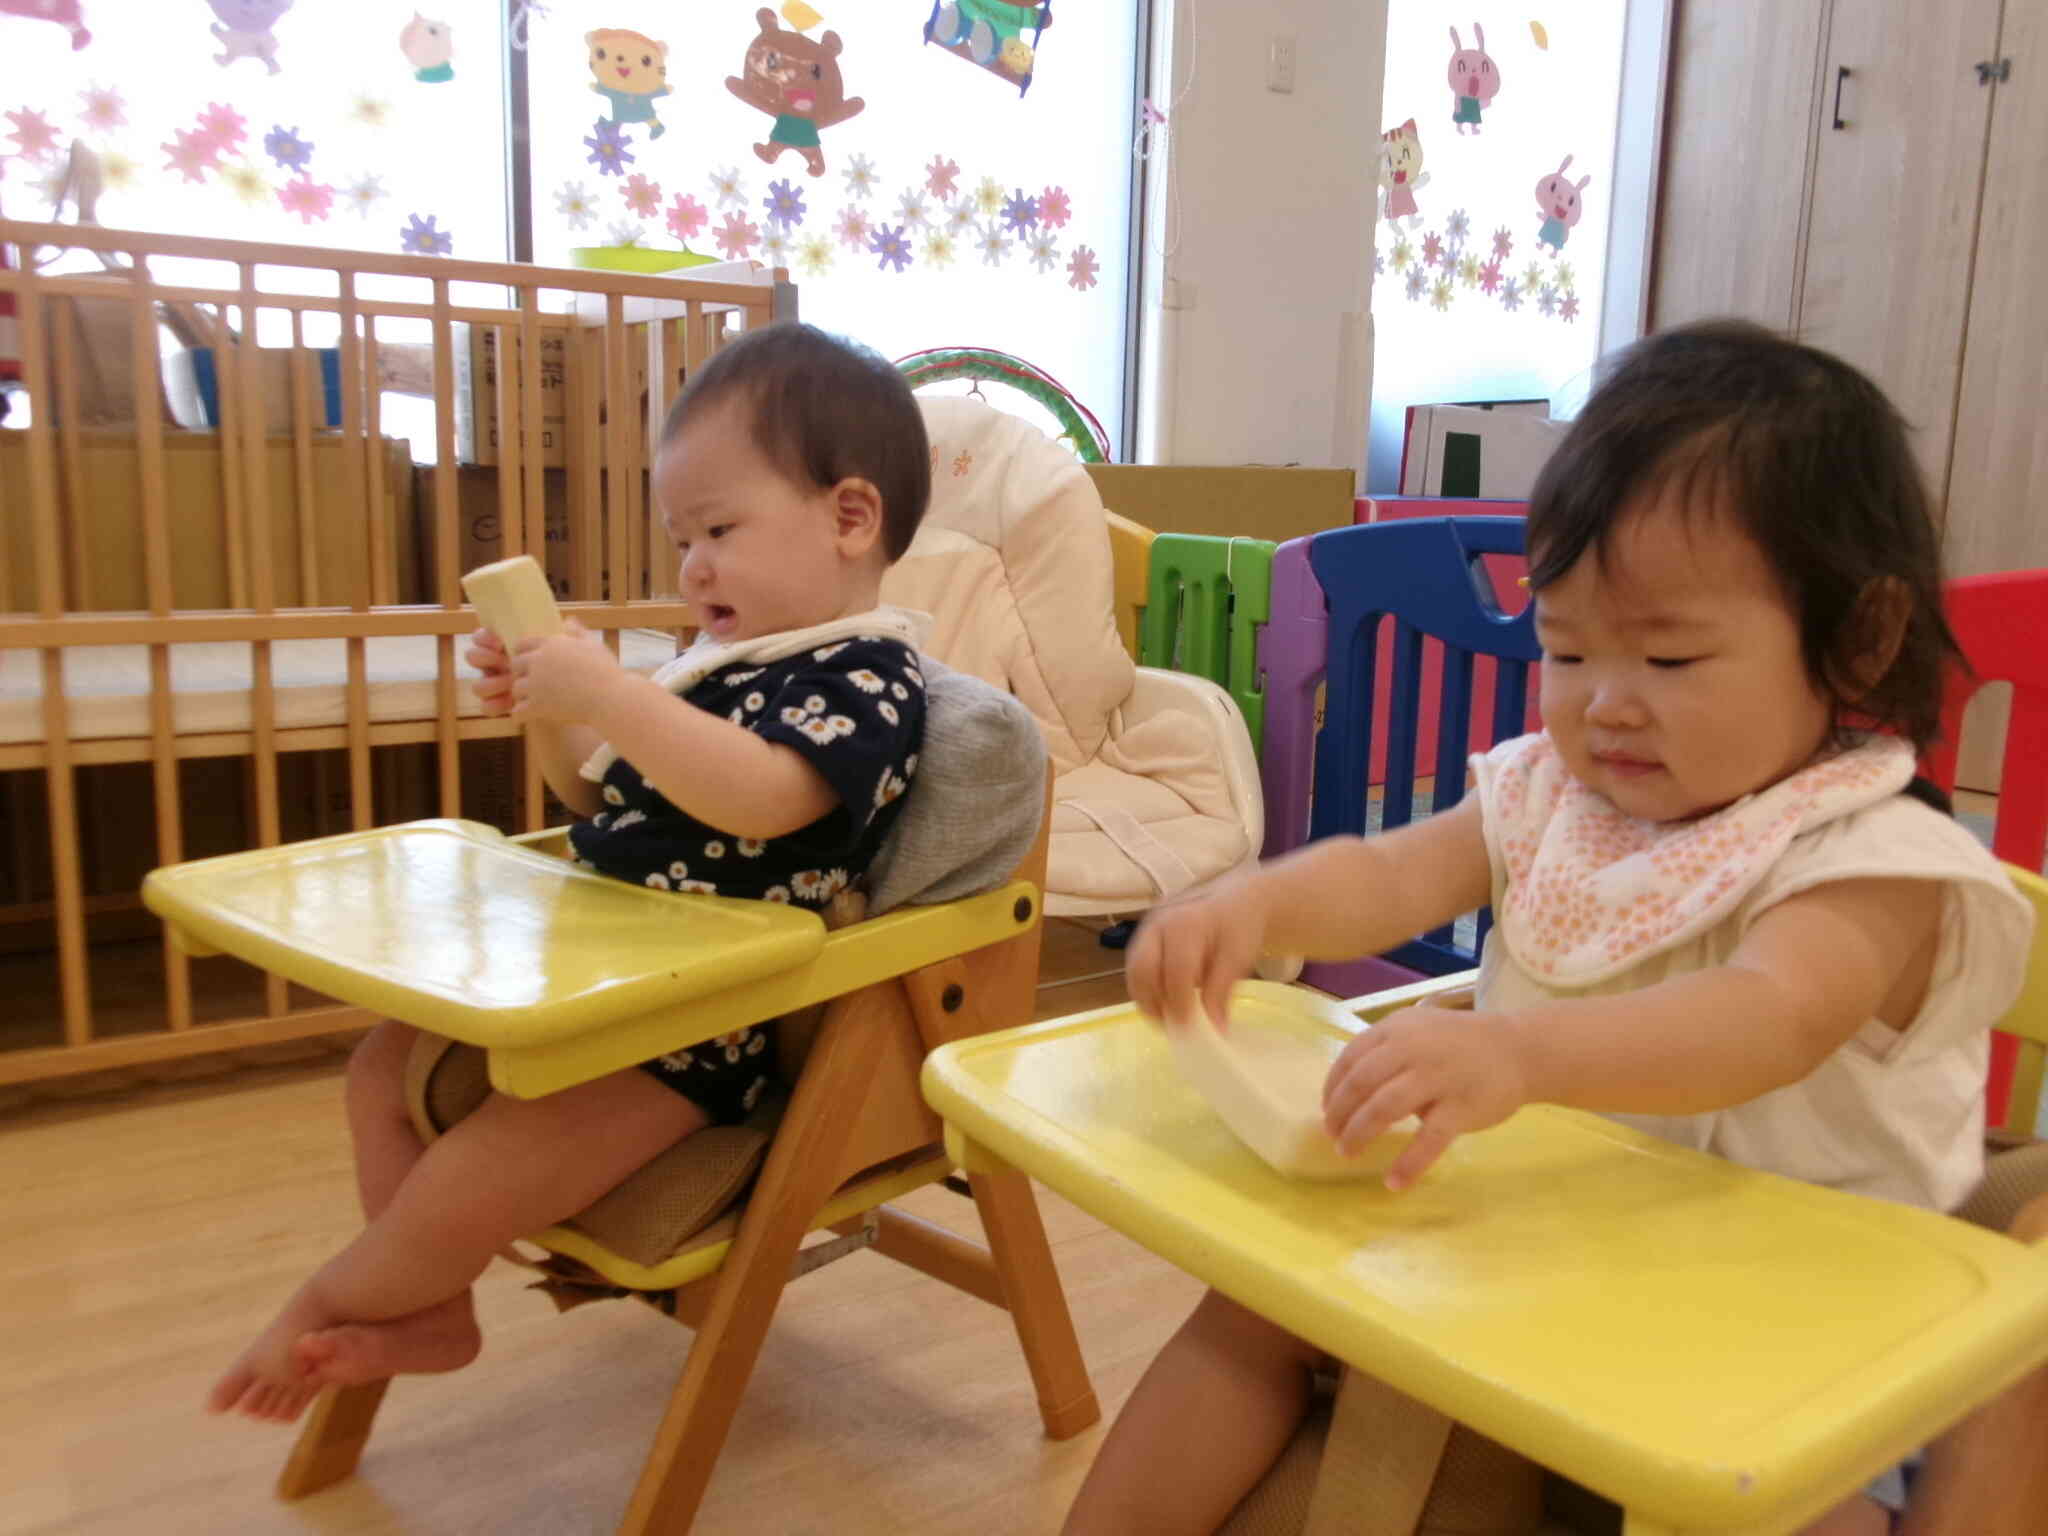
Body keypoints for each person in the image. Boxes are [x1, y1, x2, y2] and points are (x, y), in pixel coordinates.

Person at [1065, 321, 2035, 1536]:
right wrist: (1247, 902)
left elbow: (1768, 1020)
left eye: (1670, 656)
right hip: (1540, 1259)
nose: (1604, 704)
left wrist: (1516, 1056)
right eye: (1565, 648)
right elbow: (1383, 873)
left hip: (1791, 1329)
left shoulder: (1876, 858)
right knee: (1246, 1305)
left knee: (1792, 1502)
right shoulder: (1547, 794)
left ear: (1857, 639)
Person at [207, 323, 933, 1424]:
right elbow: (597, 802)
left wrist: (614, 695)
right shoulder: (712, 669)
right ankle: (430, 1312)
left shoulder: (867, 676)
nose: (690, 566)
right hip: (584, 978)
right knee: (376, 1074)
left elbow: (767, 799)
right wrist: (556, 710)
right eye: (680, 536)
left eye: (719, 529)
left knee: (474, 1169)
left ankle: (324, 1300)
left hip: (684, 1033)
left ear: (848, 516)